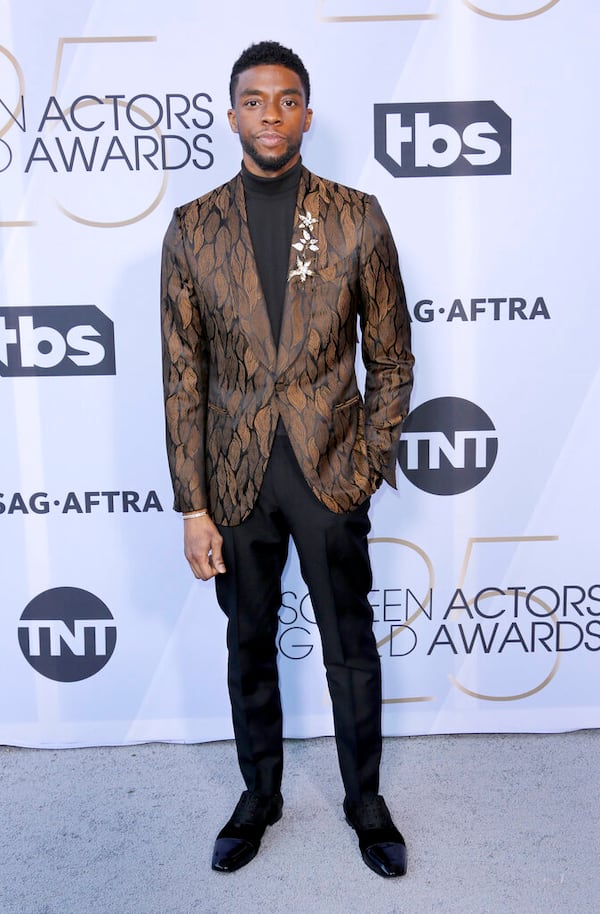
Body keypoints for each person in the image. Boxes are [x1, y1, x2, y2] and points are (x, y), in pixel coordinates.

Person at [160, 40, 414, 878]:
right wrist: (192, 506)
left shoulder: (356, 215)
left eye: (287, 99)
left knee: (350, 645)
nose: (271, 114)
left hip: (329, 471)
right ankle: (259, 795)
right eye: (255, 100)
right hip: (236, 482)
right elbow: (182, 376)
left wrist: (370, 461)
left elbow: (392, 355)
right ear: (231, 113)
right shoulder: (192, 227)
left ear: (307, 110)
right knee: (249, 644)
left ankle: (365, 800)